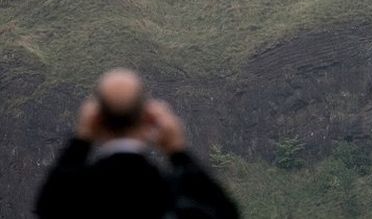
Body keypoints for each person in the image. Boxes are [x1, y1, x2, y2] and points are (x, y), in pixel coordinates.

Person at [34, 69, 239, 219]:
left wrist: (80, 142)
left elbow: (46, 206)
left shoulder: (75, 199)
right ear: (147, 119)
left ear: (96, 120)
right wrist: (178, 152)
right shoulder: (171, 194)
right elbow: (225, 212)